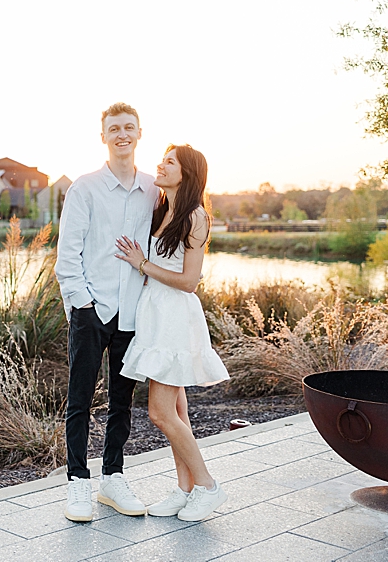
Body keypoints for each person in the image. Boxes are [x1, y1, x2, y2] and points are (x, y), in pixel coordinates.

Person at [114, 143, 231, 522]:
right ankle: (184, 490)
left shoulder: (196, 217)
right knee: (177, 409)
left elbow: (189, 282)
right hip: (153, 315)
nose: (160, 166)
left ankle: (208, 486)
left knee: (161, 412)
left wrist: (142, 264)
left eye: (170, 162)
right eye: (162, 160)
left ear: (188, 173)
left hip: (175, 317)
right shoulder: (162, 209)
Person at [55, 102, 159, 522]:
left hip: (133, 314)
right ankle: (78, 484)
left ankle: (112, 478)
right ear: (103, 136)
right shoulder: (84, 188)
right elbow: (67, 256)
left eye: (128, 127)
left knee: (123, 400)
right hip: (91, 311)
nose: (121, 134)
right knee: (79, 400)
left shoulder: (154, 189)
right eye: (113, 128)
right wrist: (84, 305)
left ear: (139, 133)